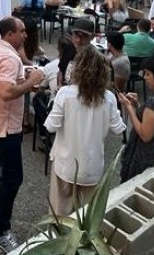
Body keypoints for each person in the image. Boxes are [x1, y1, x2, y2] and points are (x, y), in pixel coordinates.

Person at [0, 17, 44, 254]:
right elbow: (7, 92)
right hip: (6, 127)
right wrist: (32, 81)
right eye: (22, 31)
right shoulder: (8, 57)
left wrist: (24, 80)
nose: (25, 35)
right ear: (9, 34)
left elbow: (3, 85)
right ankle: (1, 230)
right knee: (13, 177)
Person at [44, 48, 126, 215]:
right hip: (92, 167)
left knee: (59, 216)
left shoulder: (65, 94)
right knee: (85, 217)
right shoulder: (109, 97)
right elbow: (119, 128)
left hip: (65, 165)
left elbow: (50, 126)